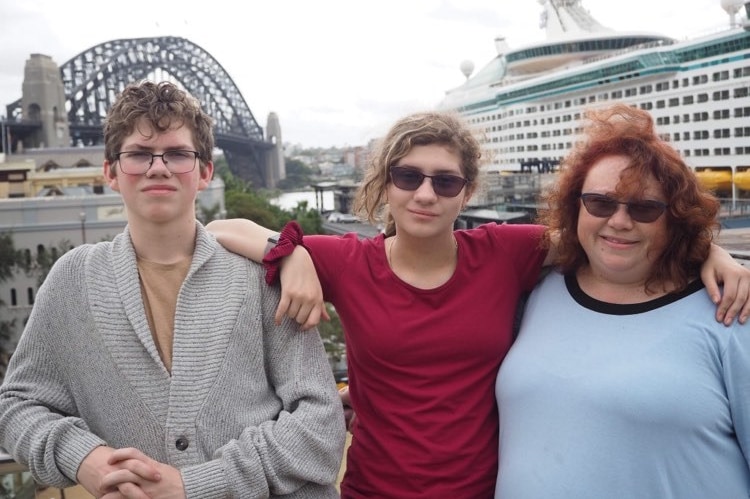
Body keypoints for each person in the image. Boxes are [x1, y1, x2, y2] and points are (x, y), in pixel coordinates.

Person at [207, 110, 750, 498]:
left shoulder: (506, 252)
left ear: (466, 192)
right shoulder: (347, 261)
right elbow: (221, 227)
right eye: (408, 176)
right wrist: (292, 253)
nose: (426, 194)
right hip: (378, 489)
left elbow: (611, 237)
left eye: (446, 181)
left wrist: (709, 252)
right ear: (385, 185)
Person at [0, 81, 345, 498]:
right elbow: (16, 406)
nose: (158, 167)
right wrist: (82, 458)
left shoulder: (261, 277)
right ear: (110, 172)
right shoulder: (73, 280)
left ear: (204, 172)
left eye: (178, 154)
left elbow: (321, 427)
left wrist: (194, 485)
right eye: (139, 154)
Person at [494, 104, 750, 498]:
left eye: (644, 208)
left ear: (675, 218)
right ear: (575, 206)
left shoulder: (730, 310)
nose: (619, 221)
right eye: (600, 203)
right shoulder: (537, 289)